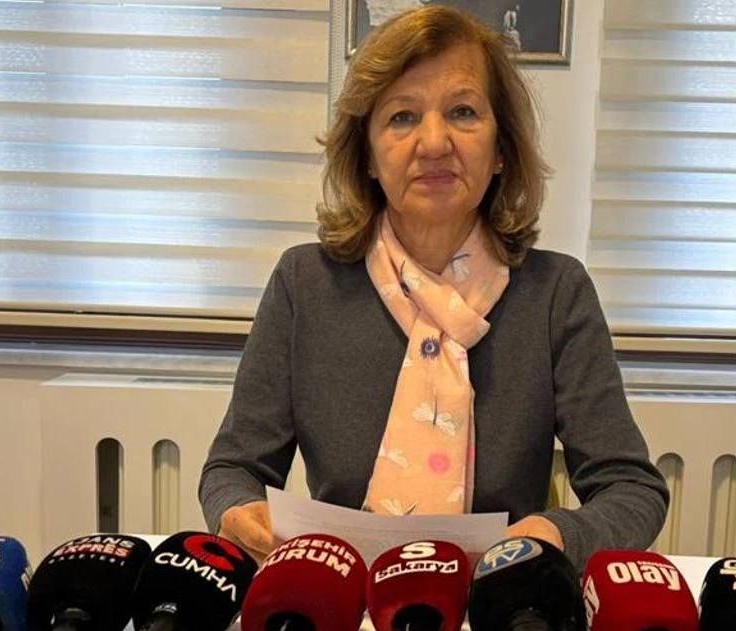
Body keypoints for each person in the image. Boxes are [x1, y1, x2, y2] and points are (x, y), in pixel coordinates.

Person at [199, 6, 667, 571]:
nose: (434, 142)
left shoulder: (556, 293)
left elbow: (632, 489)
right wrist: (237, 510)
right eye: (402, 117)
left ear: (501, 149)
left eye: (463, 112)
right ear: (368, 156)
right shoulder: (304, 284)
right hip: (341, 598)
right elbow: (233, 469)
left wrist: (558, 533)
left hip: (501, 594)